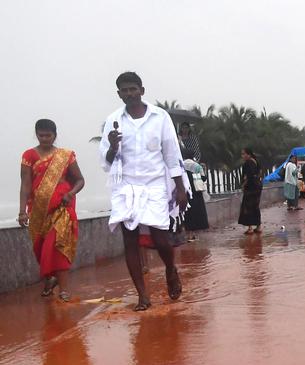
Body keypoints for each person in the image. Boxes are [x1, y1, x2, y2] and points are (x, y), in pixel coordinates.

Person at [99, 72, 188, 311]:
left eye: (133, 89)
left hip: (155, 184)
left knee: (160, 239)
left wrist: (180, 188)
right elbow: (107, 162)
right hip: (126, 186)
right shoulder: (113, 120)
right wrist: (113, 146)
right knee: (130, 240)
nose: (129, 94)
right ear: (119, 94)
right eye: (124, 90)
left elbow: (171, 154)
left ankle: (170, 269)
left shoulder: (160, 117)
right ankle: (142, 295)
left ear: (142, 90)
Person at [18, 119, 85, 301]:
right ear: (36, 134)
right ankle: (51, 279)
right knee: (41, 249)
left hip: (62, 208)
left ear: (55, 135)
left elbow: (80, 180)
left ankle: (64, 289)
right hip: (39, 211)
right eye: (41, 135)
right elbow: (25, 185)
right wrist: (22, 211)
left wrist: (70, 194)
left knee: (57, 247)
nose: (45, 138)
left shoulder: (65, 155)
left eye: (48, 135)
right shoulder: (29, 156)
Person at [181, 149, 209, 240]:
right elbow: (203, 178)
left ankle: (188, 234)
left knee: (188, 213)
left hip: (186, 192)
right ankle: (194, 234)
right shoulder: (197, 165)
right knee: (196, 213)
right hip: (196, 192)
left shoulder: (181, 165)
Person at [238, 148, 262, 234]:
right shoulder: (256, 161)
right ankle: (258, 227)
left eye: (244, 154)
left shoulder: (248, 163)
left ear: (249, 154)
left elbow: (248, 176)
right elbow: (259, 173)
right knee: (255, 206)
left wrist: (244, 185)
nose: (242, 156)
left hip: (250, 188)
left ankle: (250, 228)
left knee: (247, 207)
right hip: (257, 187)